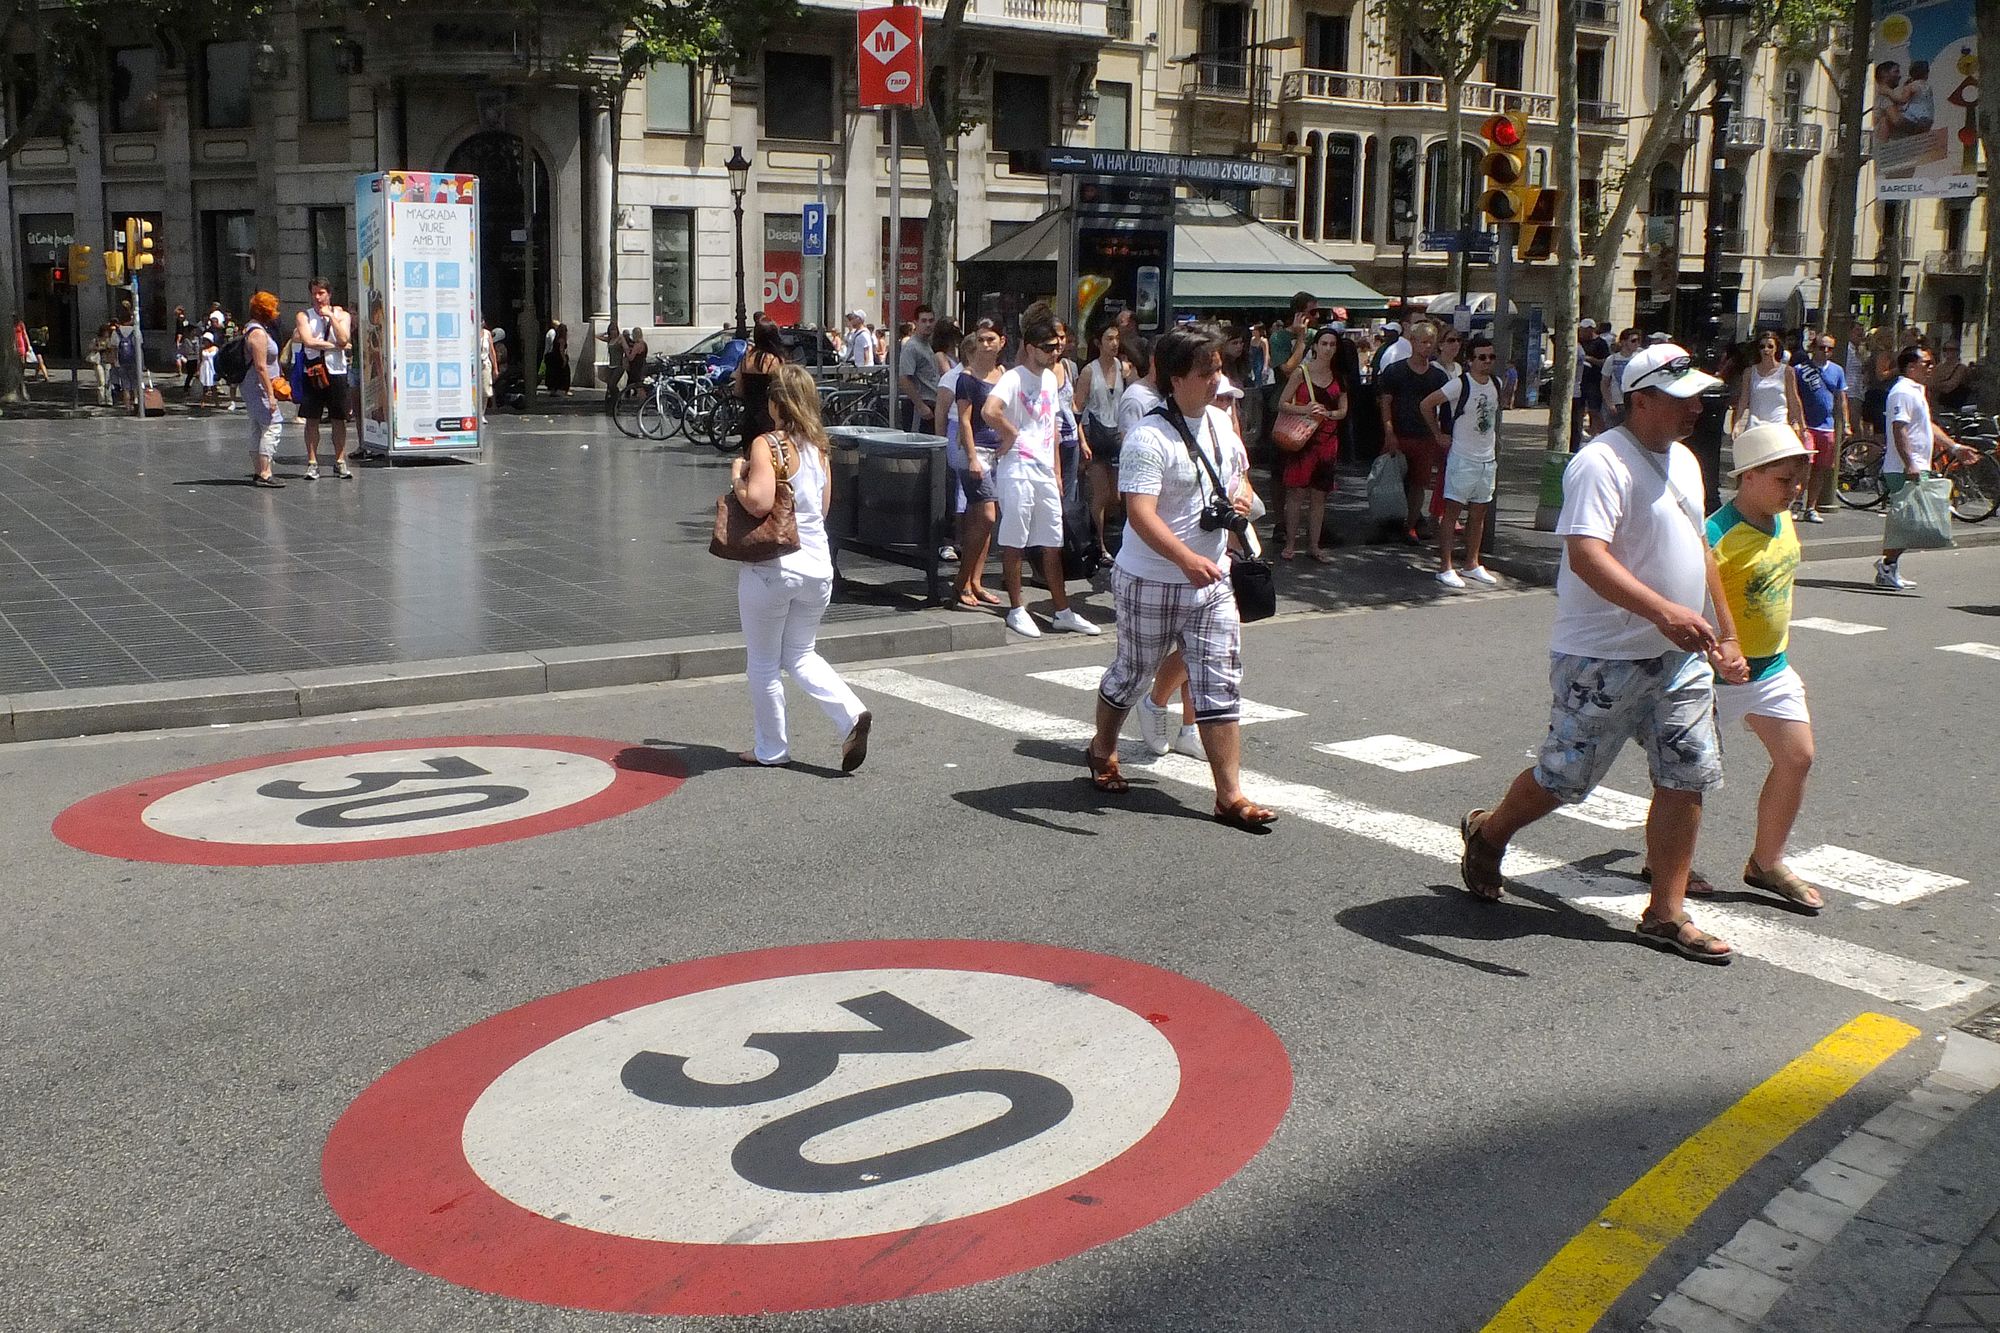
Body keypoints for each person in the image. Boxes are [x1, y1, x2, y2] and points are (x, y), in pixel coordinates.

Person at [1457, 342, 1749, 964]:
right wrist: (1663, 611)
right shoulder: (1601, 462)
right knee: (1565, 777)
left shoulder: (1688, 462)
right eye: (1681, 398)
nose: (1695, 408)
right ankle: (1491, 831)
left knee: (1687, 773)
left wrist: (1725, 633)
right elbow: (1587, 556)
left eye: (1698, 397)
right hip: (1602, 657)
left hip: (1679, 660)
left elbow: (1701, 551)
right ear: (1640, 398)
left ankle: (1666, 913)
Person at [1083, 325, 1275, 830]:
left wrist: (1240, 500)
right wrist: (1184, 559)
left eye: (1218, 368)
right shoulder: (1149, 436)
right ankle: (1102, 749)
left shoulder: (1220, 423)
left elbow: (1239, 477)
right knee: (1133, 673)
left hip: (1213, 580)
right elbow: (1140, 513)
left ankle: (1229, 795)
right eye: (1206, 371)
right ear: (1175, 378)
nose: (1217, 379)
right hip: (1151, 579)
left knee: (1220, 681)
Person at [728, 363, 873, 772]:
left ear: (776, 402)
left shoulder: (767, 445)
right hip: (817, 566)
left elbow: (757, 502)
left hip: (774, 566)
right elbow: (823, 509)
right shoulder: (819, 448)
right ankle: (851, 713)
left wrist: (738, 477)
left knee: (762, 661)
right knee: (801, 653)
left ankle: (771, 748)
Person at [1705, 423, 1825, 913]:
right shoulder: (1714, 534)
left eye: (1798, 479)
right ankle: (1663, 860)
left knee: (1797, 758)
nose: (1794, 490)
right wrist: (1716, 649)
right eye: (1783, 479)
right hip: (1712, 678)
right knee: (1684, 777)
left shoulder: (1784, 518)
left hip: (1771, 670)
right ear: (1748, 476)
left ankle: (1766, 862)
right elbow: (1690, 603)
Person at [983, 302, 1100, 639]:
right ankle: (1017, 607)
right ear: (1030, 347)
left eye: (1057, 346)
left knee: (1052, 541)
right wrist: (1013, 433)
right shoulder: (1014, 377)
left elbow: (1051, 427)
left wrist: (1059, 472)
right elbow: (991, 410)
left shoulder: (1051, 378)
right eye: (1048, 347)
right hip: (1017, 467)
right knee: (1015, 541)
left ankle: (1062, 609)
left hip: (1044, 469)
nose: (1054, 352)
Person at [1877, 345, 1975, 591]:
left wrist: (1954, 448)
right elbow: (1899, 429)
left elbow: (1927, 425)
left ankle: (1889, 566)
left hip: (1916, 465)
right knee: (1907, 522)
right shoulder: (1902, 392)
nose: (1932, 367)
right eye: (1927, 363)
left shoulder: (1916, 391)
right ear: (1911, 367)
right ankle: (1887, 566)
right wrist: (1910, 462)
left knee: (1909, 521)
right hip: (1903, 467)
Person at [1424, 333, 1503, 589]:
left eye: (1491, 357)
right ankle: (1445, 566)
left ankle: (1472, 563)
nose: (1487, 362)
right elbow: (1427, 404)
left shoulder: (1497, 383)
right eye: (1481, 357)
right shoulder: (1459, 384)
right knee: (1451, 513)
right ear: (1470, 360)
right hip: (1462, 457)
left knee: (1479, 513)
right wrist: (1438, 434)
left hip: (1486, 459)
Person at [1275, 323, 1347, 561]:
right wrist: (1305, 408)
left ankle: (1314, 545)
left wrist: (1329, 414)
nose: (1328, 349)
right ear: (1316, 346)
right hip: (1303, 438)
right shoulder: (1301, 372)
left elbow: (1343, 410)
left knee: (1319, 495)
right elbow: (1282, 403)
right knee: (1296, 493)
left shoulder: (1339, 376)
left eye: (1332, 344)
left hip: (1327, 440)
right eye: (1324, 344)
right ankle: (1290, 543)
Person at [951, 327, 1008, 611]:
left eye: (991, 340)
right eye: (981, 340)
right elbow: (964, 421)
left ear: (1001, 343)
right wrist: (972, 457)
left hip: (999, 452)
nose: (986, 345)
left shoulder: (1004, 375)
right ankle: (960, 581)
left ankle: (975, 580)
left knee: (981, 522)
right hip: (976, 453)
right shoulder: (966, 378)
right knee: (987, 515)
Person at [1376, 321, 1449, 542]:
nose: (1427, 347)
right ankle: (1387, 523)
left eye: (1431, 343)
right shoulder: (1395, 371)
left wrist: (1440, 433)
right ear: (1413, 342)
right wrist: (1389, 431)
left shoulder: (1438, 376)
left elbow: (1445, 408)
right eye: (1423, 342)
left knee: (1419, 483)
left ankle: (1410, 525)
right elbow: (1385, 402)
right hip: (1399, 434)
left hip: (1424, 437)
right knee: (1389, 481)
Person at [295, 278, 354, 481]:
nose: (317, 297)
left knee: (339, 418)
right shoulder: (304, 316)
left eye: (321, 293)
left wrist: (331, 317)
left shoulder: (342, 315)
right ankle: (312, 463)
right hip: (314, 371)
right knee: (312, 418)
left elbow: (344, 338)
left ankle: (340, 461)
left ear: (329, 294)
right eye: (314, 293)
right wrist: (335, 346)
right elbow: (309, 341)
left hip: (337, 371)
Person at [1076, 320, 1127, 559]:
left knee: (1116, 496)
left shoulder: (1121, 367)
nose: (1114, 343)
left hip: (1115, 435)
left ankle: (1103, 533)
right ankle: (1100, 543)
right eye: (1109, 338)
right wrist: (1082, 441)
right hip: (1095, 435)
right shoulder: (1089, 371)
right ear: (1098, 342)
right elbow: (1077, 407)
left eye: (1116, 338)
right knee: (1101, 493)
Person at [1793, 332, 1848, 523]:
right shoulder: (1800, 370)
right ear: (1813, 348)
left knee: (1821, 469)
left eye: (1829, 348)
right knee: (1805, 464)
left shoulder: (1837, 371)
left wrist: (1846, 423)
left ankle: (1811, 507)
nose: (1825, 351)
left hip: (1827, 426)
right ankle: (1797, 501)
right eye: (1821, 347)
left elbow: (1841, 398)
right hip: (1806, 426)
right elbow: (1793, 396)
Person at [243, 291, 288, 488]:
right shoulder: (258, 334)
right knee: (272, 425)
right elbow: (261, 367)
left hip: (252, 386)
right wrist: (270, 394)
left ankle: (258, 470)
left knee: (257, 426)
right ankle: (265, 472)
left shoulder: (253, 328)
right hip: (259, 387)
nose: (276, 313)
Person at [733, 315, 787, 454]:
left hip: (749, 417)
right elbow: (782, 393)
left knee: (750, 461)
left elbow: (737, 390)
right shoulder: (774, 361)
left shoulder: (746, 359)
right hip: (769, 418)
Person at [897, 305, 939, 432]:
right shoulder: (912, 347)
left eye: (931, 321)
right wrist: (920, 405)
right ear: (916, 323)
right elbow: (904, 379)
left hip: (932, 404)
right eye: (924, 321)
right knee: (918, 447)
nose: (928, 324)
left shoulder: (926, 345)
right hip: (920, 407)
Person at [1602, 328, 1641, 429]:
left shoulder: (1640, 359)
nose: (1636, 343)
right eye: (1633, 340)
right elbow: (1604, 383)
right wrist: (1609, 403)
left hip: (1634, 403)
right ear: (1623, 342)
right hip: (1617, 403)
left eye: (1638, 340)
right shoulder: (1612, 359)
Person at [1930, 340, 1972, 410]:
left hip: (1955, 405)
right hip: (1937, 404)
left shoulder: (1961, 368)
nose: (1948, 352)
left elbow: (1950, 386)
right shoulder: (1939, 367)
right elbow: (1931, 383)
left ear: (1958, 352)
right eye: (1945, 350)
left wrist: (1938, 385)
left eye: (1951, 350)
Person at [597, 324, 629, 408]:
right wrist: (605, 333)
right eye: (611, 330)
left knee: (612, 384)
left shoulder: (620, 339)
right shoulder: (610, 339)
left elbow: (626, 349)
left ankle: (618, 399)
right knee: (609, 385)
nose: (613, 332)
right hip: (611, 366)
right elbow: (597, 336)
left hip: (619, 365)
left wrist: (627, 359)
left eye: (614, 330)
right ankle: (612, 402)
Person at [89, 322, 115, 406]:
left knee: (108, 381)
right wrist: (98, 347)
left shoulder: (110, 339)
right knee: (101, 381)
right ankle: (102, 400)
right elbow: (90, 347)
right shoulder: (96, 340)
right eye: (105, 331)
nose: (107, 333)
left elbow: (112, 348)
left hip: (107, 361)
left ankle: (109, 400)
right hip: (98, 362)